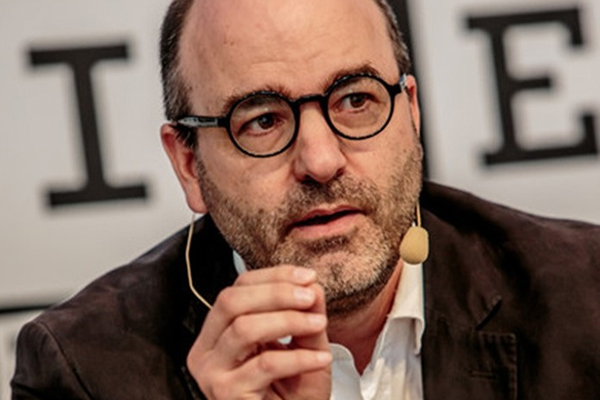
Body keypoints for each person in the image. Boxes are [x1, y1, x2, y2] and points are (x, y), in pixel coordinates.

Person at [11, 0, 600, 398]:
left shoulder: (584, 297)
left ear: (412, 114)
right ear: (189, 165)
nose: (321, 161)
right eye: (262, 120)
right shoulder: (83, 372)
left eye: (355, 100)